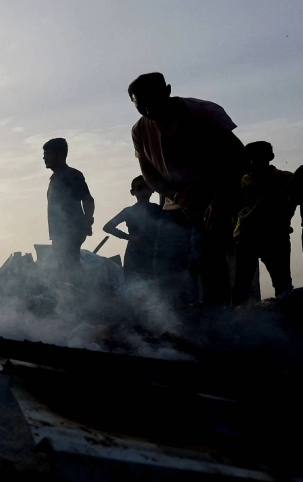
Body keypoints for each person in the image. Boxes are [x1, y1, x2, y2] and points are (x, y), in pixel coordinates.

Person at [128, 72, 245, 307]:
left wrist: (217, 198)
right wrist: (177, 196)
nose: (149, 111)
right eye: (142, 107)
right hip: (175, 204)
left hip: (214, 198)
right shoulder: (139, 130)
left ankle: (219, 323)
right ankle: (179, 320)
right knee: (167, 263)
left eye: (153, 103)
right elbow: (149, 173)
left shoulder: (202, 112)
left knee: (209, 261)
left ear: (167, 91)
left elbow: (237, 158)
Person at [231, 142, 294, 305]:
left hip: (275, 238)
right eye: (250, 159)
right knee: (241, 288)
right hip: (246, 240)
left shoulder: (284, 179)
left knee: (282, 286)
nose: (252, 163)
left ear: (269, 158)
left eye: (256, 158)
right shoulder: (239, 183)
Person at [43, 138, 94, 280]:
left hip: (71, 231)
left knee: (70, 267)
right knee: (63, 268)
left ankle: (80, 296)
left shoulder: (72, 175)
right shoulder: (55, 178)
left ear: (60, 154)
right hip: (59, 233)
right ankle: (70, 297)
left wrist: (87, 220)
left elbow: (88, 199)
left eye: (48, 153)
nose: (44, 157)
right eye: (44, 154)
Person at [103, 176, 162, 284]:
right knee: (133, 286)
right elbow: (108, 227)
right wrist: (129, 237)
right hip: (135, 253)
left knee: (155, 285)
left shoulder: (158, 209)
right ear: (133, 192)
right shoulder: (129, 211)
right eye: (139, 188)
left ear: (152, 190)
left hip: (154, 252)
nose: (144, 191)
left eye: (146, 187)